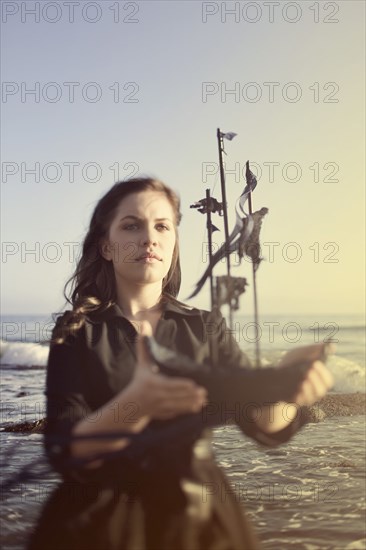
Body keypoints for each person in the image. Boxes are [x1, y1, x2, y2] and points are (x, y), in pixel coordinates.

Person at [28, 177, 334, 550]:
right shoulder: (77, 331)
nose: (149, 238)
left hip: (197, 517)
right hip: (101, 522)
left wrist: (288, 384)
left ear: (173, 242)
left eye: (162, 226)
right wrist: (135, 405)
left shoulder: (205, 328)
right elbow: (64, 449)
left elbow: (263, 423)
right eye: (131, 226)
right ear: (106, 246)